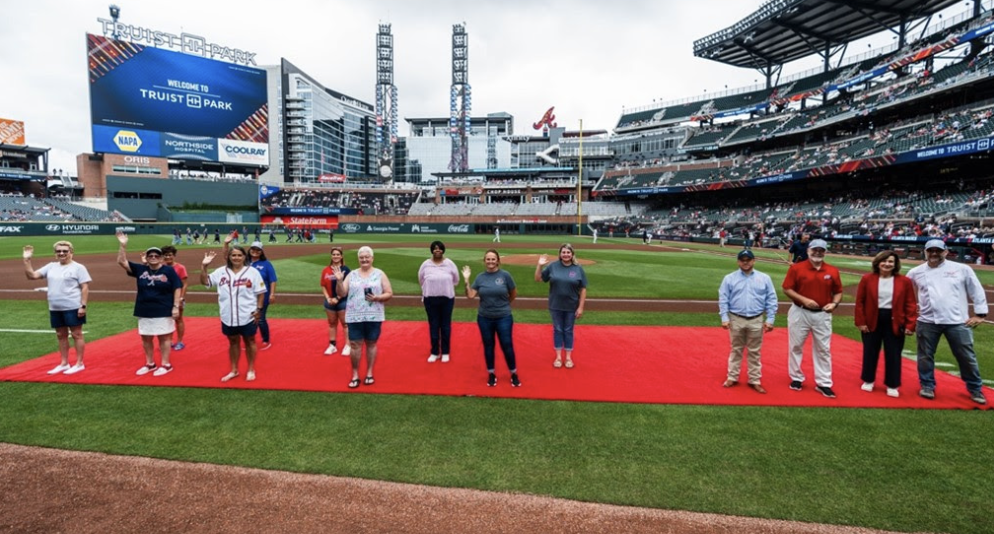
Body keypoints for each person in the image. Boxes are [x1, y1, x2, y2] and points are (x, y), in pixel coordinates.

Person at [906, 239, 989, 404]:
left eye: (938, 250)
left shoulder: (962, 269)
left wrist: (980, 314)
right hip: (927, 320)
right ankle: (927, 385)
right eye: (931, 251)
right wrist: (909, 312)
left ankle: (975, 388)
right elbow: (903, 290)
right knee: (924, 356)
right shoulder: (916, 272)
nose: (934, 253)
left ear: (945, 251)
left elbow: (976, 289)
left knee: (966, 356)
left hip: (957, 321)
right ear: (925, 252)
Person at [782, 239, 843, 398]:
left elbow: (838, 291)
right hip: (800, 311)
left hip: (823, 313)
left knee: (823, 349)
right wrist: (804, 300)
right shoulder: (797, 268)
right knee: (796, 345)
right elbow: (787, 288)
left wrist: (834, 304)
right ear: (808, 250)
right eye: (815, 250)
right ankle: (796, 377)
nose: (817, 253)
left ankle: (824, 383)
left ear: (825, 252)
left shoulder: (832, 270)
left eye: (821, 250)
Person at [116, 232, 182, 377]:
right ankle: (150, 363)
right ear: (146, 257)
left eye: (156, 255)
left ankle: (166, 364)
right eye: (150, 255)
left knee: (164, 337)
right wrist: (123, 245)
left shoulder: (169, 270)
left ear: (161, 258)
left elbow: (177, 287)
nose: (153, 258)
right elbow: (122, 262)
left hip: (163, 308)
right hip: (144, 309)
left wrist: (176, 306)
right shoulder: (140, 269)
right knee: (146, 338)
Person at [854, 251, 917, 398]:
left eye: (891, 262)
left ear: (895, 264)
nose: (887, 264)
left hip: (895, 320)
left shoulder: (904, 281)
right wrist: (861, 322)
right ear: (877, 262)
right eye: (884, 261)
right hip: (872, 319)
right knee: (870, 351)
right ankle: (868, 380)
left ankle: (892, 384)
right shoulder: (867, 279)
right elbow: (860, 302)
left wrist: (910, 325)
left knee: (894, 353)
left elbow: (910, 304)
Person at [22, 241, 91, 375]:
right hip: (55, 307)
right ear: (55, 253)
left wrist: (83, 306)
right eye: (59, 251)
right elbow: (32, 276)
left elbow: (85, 287)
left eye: (65, 251)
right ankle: (64, 363)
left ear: (71, 252)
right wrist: (26, 260)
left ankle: (79, 363)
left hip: (73, 306)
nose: (62, 253)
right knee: (60, 335)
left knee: (77, 334)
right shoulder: (51, 266)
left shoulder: (78, 267)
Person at [200, 246, 267, 382]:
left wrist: (259, 310)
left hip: (247, 315)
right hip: (227, 315)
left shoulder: (252, 272)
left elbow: (260, 292)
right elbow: (205, 282)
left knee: (250, 341)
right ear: (229, 257)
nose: (236, 258)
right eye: (233, 255)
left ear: (244, 257)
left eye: (239, 255)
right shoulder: (220, 272)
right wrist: (204, 267)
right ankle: (234, 370)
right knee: (233, 342)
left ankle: (250, 369)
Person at [332, 246, 394, 389]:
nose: (364, 259)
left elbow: (389, 293)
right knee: (355, 345)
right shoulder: (352, 274)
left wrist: (378, 297)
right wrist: (339, 281)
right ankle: (355, 374)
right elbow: (341, 293)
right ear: (358, 259)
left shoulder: (379, 274)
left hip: (374, 315)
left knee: (371, 343)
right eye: (361, 257)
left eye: (367, 257)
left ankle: (369, 373)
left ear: (372, 258)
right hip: (354, 316)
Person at [718, 249, 778, 393]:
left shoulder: (764, 278)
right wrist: (724, 318)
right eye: (742, 260)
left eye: (748, 260)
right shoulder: (729, 278)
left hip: (756, 318)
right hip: (736, 318)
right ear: (738, 262)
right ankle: (732, 376)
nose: (745, 263)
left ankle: (754, 379)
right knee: (736, 349)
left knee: (755, 351)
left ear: (753, 261)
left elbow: (771, 299)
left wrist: (770, 319)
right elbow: (723, 299)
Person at [463, 249, 521, 387]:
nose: (490, 261)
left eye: (493, 259)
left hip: (504, 317)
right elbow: (470, 295)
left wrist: (505, 305)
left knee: (507, 345)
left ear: (498, 261)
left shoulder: (505, 275)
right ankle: (491, 373)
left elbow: (513, 293)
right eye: (488, 259)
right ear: (484, 261)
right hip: (484, 317)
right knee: (489, 346)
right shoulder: (480, 277)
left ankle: (513, 373)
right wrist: (466, 280)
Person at [535, 243, 587, 369]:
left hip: (571, 306)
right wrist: (539, 265)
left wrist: (580, 307)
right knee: (558, 330)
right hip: (556, 305)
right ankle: (558, 356)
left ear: (572, 254)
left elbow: (583, 289)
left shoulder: (578, 268)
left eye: (568, 252)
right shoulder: (553, 266)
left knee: (568, 330)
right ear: (560, 254)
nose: (566, 254)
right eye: (563, 252)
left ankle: (568, 357)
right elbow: (538, 279)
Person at [419, 241, 460, 363]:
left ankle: (446, 352)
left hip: (446, 298)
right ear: (432, 250)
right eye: (435, 248)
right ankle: (435, 352)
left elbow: (456, 280)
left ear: (443, 250)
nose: (437, 250)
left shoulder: (449, 264)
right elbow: (421, 279)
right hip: (430, 299)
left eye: (440, 248)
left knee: (445, 326)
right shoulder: (425, 264)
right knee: (434, 325)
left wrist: (444, 287)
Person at [247, 241, 278, 350]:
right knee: (248, 318)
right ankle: (250, 340)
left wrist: (272, 294)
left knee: (260, 318)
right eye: (253, 249)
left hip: (262, 295)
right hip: (247, 296)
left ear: (261, 252)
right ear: (249, 250)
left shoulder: (266, 264)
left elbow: (273, 280)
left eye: (258, 250)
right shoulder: (245, 262)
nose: (255, 252)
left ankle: (265, 340)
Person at [320, 246, 350, 356]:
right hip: (329, 301)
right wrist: (328, 298)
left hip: (342, 301)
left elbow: (347, 287)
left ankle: (348, 345)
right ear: (331, 256)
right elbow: (323, 285)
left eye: (338, 254)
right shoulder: (326, 270)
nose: (336, 256)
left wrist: (337, 298)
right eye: (334, 254)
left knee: (345, 324)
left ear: (341, 256)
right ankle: (332, 345)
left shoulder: (346, 270)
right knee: (332, 324)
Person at [161, 246, 189, 351]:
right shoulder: (161, 267)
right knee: (167, 320)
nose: (168, 257)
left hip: (177, 298)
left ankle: (180, 341)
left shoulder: (180, 268)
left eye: (170, 255)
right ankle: (169, 341)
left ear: (174, 256)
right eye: (166, 255)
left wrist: (181, 297)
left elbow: (185, 284)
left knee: (178, 319)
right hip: (164, 298)